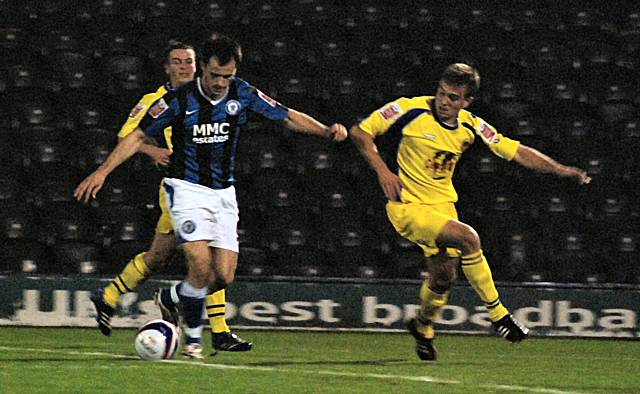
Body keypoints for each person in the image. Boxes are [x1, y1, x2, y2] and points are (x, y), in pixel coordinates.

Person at [75, 35, 348, 359]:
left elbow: (286, 115)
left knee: (214, 273)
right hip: (184, 189)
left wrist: (325, 130)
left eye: (226, 76)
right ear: (202, 68)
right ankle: (201, 339)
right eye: (214, 75)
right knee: (199, 265)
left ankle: (163, 298)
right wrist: (104, 171)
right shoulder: (171, 100)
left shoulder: (241, 92)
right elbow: (133, 135)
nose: (220, 83)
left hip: (223, 193)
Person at [350, 63, 591, 361]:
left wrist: (561, 170)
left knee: (444, 277)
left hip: (442, 206)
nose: (444, 101)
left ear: (466, 101)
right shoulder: (409, 109)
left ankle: (422, 326)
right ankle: (499, 316)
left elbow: (515, 150)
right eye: (442, 93)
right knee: (468, 238)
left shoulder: (471, 125)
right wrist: (383, 171)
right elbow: (360, 132)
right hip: (407, 206)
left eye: (453, 97)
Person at [77, 41, 252, 353]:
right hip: (182, 189)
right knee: (206, 257)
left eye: (188, 61)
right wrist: (152, 149)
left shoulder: (210, 96)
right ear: (166, 67)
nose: (183, 67)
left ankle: (109, 297)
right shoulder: (156, 100)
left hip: (206, 188)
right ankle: (219, 330)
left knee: (158, 257)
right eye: (177, 62)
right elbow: (128, 135)